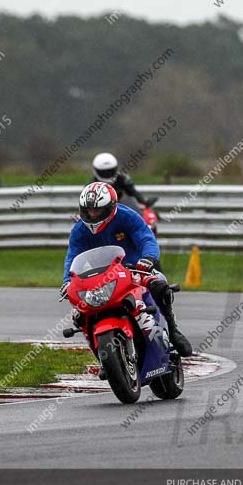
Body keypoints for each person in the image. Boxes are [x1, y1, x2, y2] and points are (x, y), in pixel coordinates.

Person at [61, 182, 192, 372]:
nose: (93, 214)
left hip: (135, 269)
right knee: (80, 314)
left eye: (98, 210)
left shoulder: (127, 216)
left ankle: (173, 331)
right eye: (88, 210)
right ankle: (104, 359)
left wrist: (148, 258)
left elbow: (146, 237)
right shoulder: (79, 230)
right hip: (101, 278)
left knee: (160, 286)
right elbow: (72, 256)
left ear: (111, 207)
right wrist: (68, 281)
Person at [91, 152, 155, 210]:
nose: (107, 174)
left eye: (110, 171)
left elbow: (133, 192)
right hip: (101, 211)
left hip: (120, 207)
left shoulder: (122, 179)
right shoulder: (92, 185)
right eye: (104, 172)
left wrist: (144, 202)